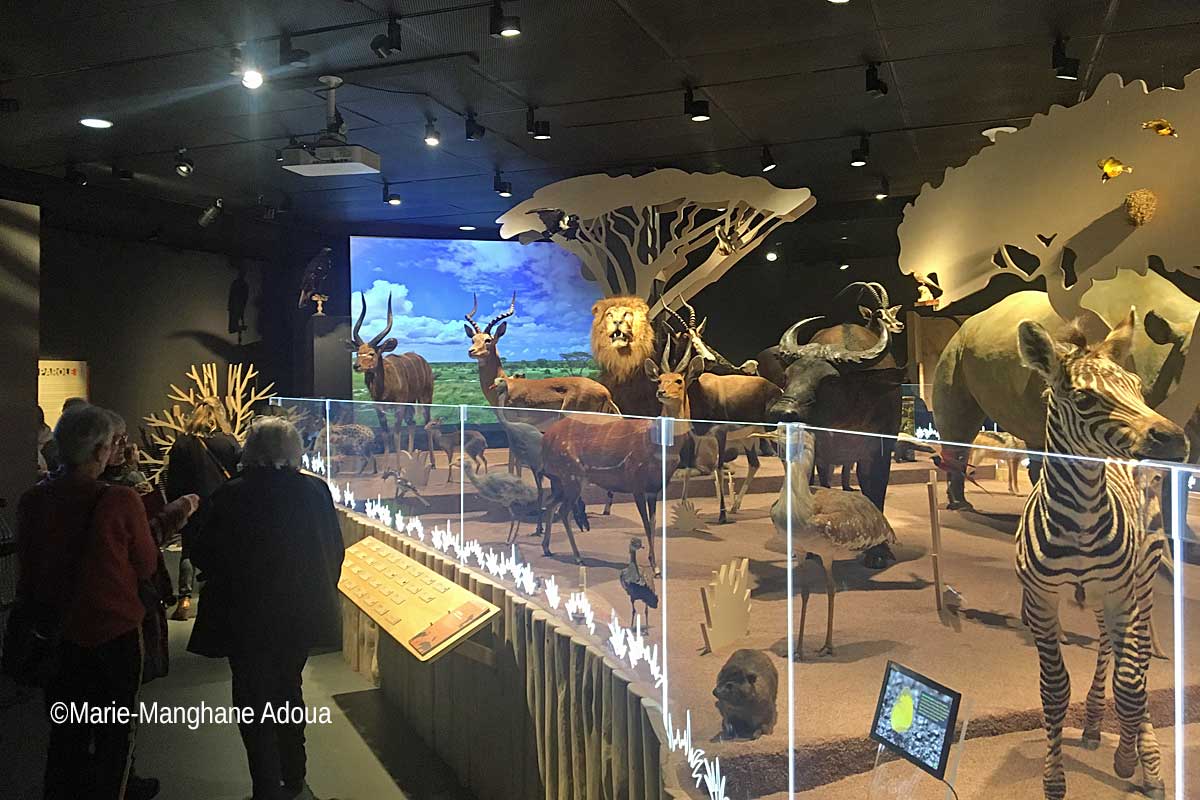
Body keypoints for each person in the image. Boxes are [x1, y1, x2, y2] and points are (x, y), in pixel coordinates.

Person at [188, 417, 345, 800]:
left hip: (244, 618)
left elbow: (204, 551)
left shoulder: (231, 494)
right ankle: (294, 777)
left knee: (251, 700)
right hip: (298, 616)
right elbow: (334, 550)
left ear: (251, 448)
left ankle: (266, 786)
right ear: (294, 450)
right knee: (289, 688)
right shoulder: (315, 491)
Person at [15, 405, 162, 800]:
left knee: (66, 735)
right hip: (114, 633)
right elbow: (146, 563)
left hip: (56, 633)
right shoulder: (120, 500)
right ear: (99, 450)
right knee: (116, 733)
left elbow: (28, 569)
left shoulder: (33, 500)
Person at [164, 398, 240, 620]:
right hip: (222, 503)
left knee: (188, 550)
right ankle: (217, 597)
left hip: (192, 504)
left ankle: (184, 600)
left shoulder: (182, 443)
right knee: (221, 549)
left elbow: (173, 479)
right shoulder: (228, 442)